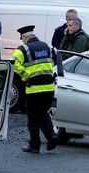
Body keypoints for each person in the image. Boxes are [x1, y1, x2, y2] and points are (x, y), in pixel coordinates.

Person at [13, 25, 57, 154]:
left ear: (25, 37)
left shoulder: (24, 48)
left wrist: (26, 75)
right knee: (43, 113)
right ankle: (51, 136)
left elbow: (13, 62)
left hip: (34, 89)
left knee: (33, 117)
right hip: (49, 88)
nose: (22, 40)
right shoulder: (47, 46)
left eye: (22, 38)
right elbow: (54, 61)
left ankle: (34, 145)